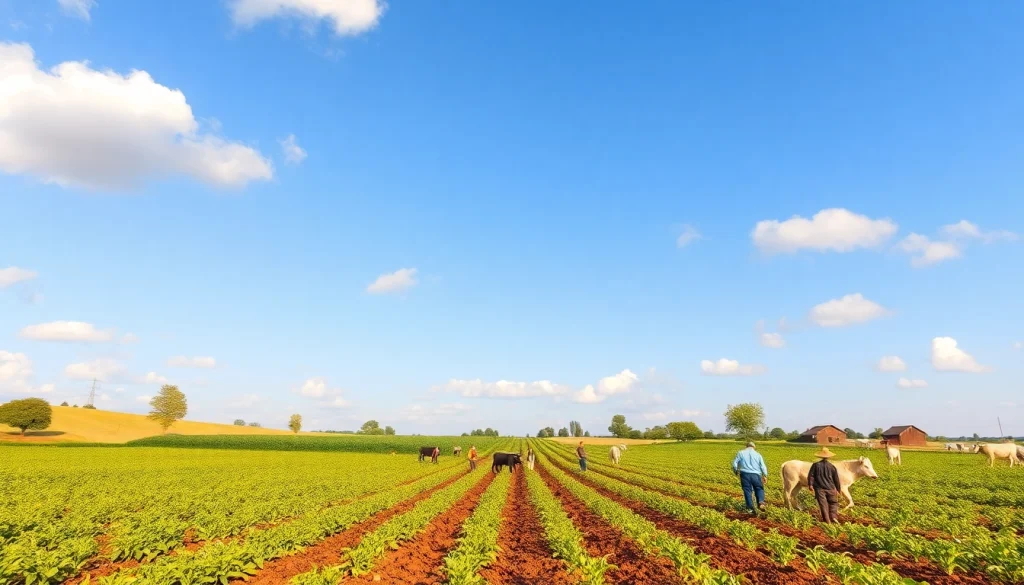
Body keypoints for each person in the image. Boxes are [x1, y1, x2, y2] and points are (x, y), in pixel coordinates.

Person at [732, 441, 768, 513]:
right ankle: (761, 502)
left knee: (747, 490)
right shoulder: (758, 454)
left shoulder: (741, 453)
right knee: (759, 488)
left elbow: (734, 463)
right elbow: (763, 466)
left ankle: (750, 509)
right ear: (754, 447)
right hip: (756, 475)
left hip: (744, 474)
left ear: (746, 446)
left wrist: (736, 471)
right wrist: (765, 475)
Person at [808, 447, 841, 524]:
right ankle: (833, 517)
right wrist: (838, 490)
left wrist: (810, 485)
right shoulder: (832, 466)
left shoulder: (815, 465)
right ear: (829, 457)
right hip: (831, 489)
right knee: (833, 503)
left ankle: (827, 521)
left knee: (823, 505)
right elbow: (836, 479)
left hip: (820, 489)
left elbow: (811, 476)